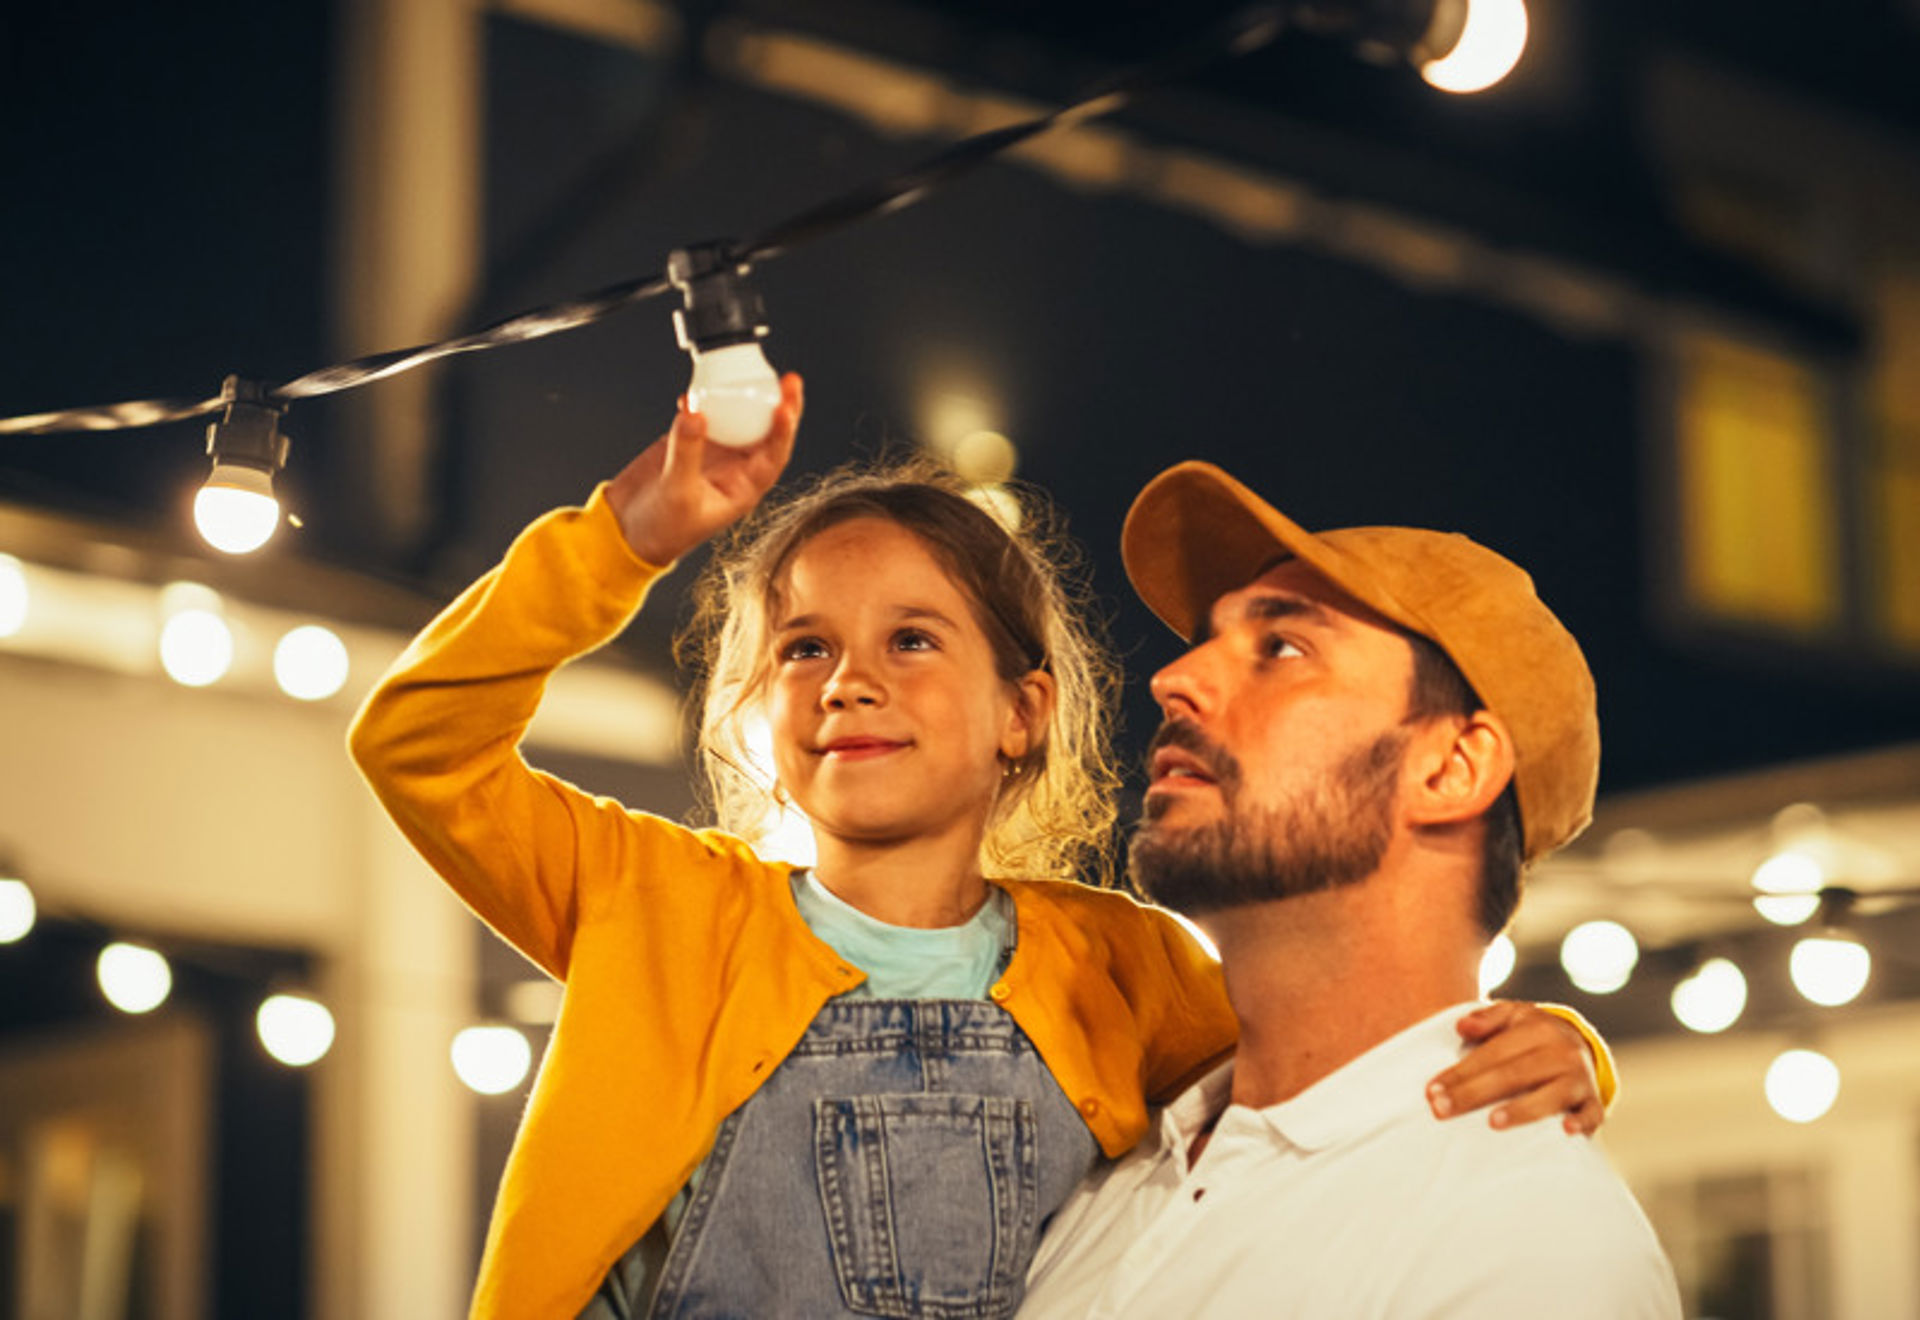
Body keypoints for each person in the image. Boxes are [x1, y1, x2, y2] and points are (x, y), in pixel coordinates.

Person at [348, 384, 1615, 1320]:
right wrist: (624, 532)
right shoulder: (657, 901)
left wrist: (1553, 1045)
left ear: (1026, 711)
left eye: (911, 641)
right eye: (802, 648)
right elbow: (421, 745)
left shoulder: (1118, 966)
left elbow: (1324, 1055)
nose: (846, 682)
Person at [1018, 460, 1683, 1318]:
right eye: (1204, 642)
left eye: (1282, 648)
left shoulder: (1529, 1249)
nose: (1174, 679)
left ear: (1450, 767)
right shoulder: (1109, 1171)